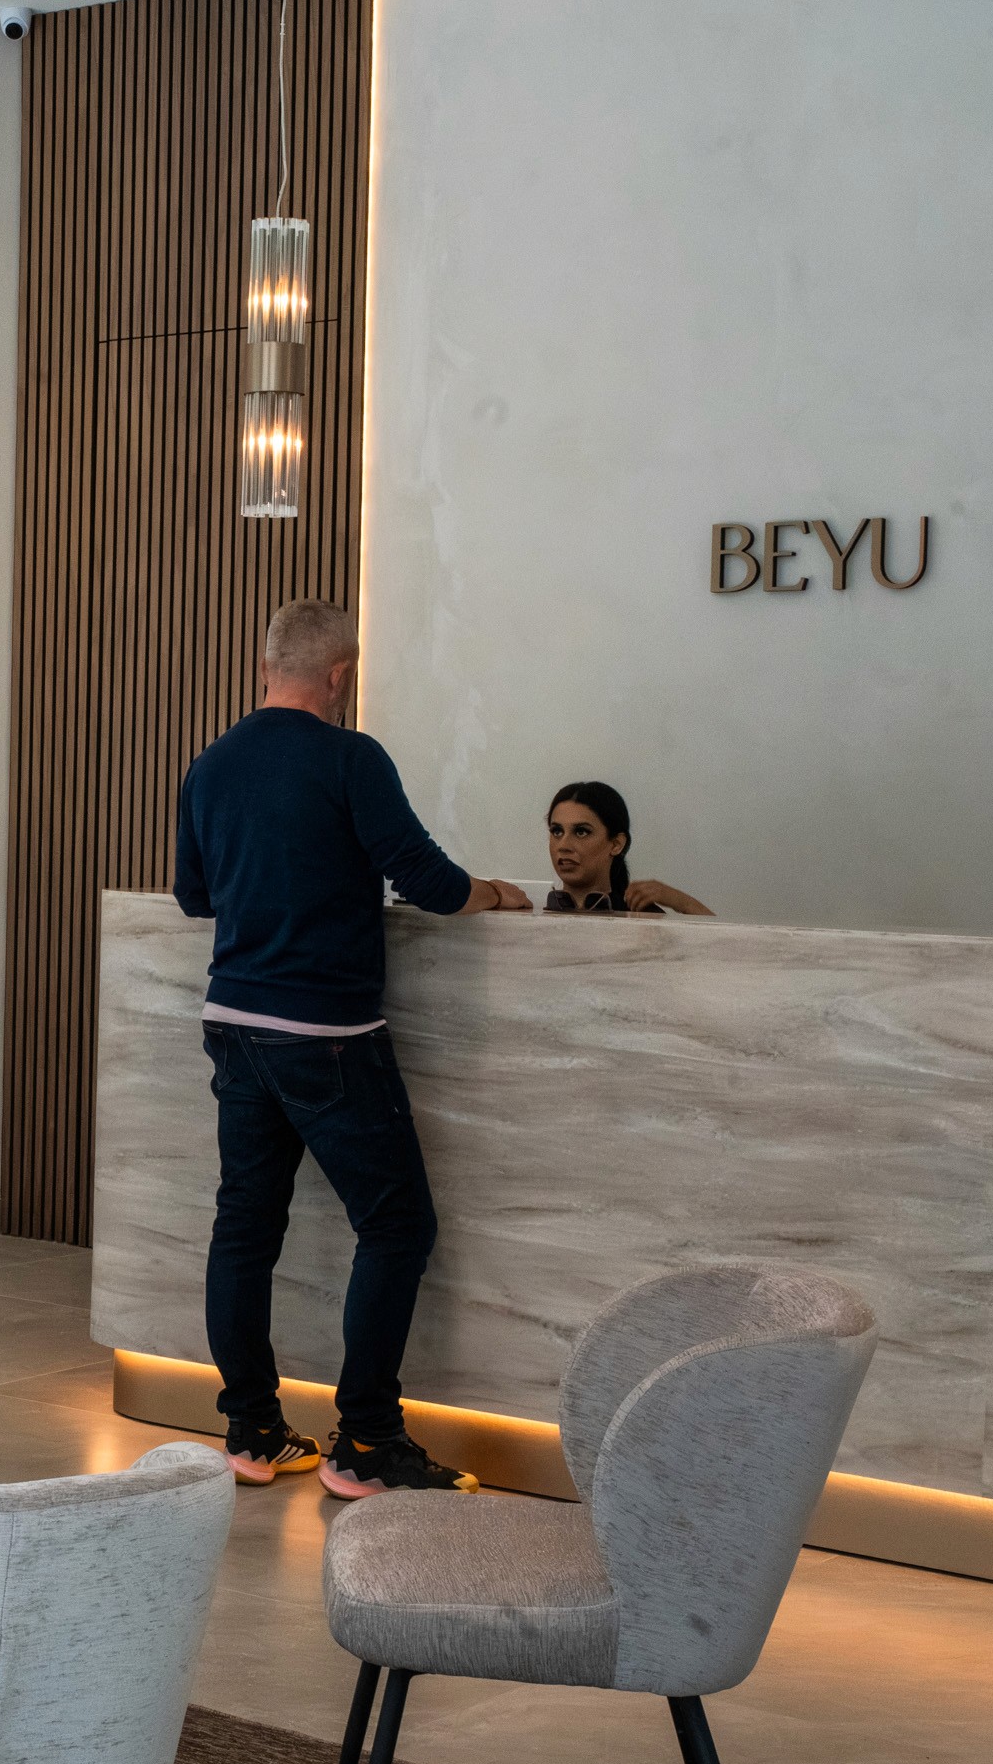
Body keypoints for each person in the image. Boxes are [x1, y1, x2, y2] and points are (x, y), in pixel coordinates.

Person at [172, 600, 531, 1500]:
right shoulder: (349, 756)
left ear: (267, 666)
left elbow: (192, 896)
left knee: (244, 1227)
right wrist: (494, 893)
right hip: (327, 1035)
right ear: (338, 674)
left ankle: (254, 1433)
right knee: (399, 1225)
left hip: (234, 1025)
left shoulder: (210, 765)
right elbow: (433, 885)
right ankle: (365, 1440)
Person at [543, 781, 713, 915]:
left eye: (581, 832)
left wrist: (680, 901)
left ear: (617, 844)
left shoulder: (641, 917)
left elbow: (732, 949)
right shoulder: (531, 909)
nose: (564, 845)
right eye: (557, 831)